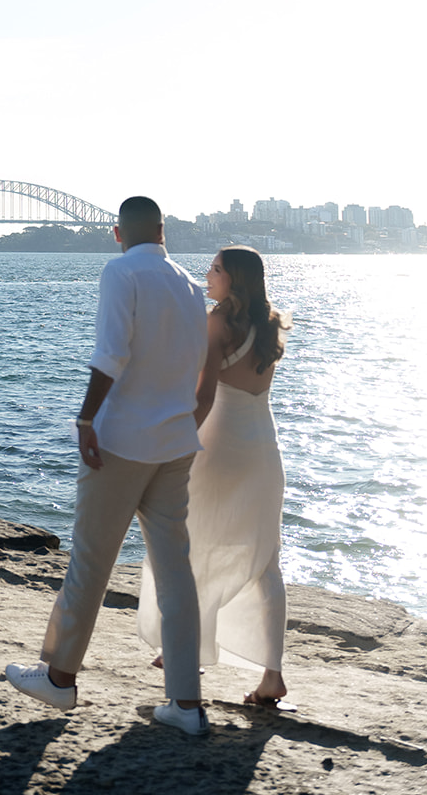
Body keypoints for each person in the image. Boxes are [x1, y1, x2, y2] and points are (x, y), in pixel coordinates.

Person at [4, 196, 211, 736]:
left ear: (117, 233)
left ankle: (59, 678)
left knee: (91, 562)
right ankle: (186, 704)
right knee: (175, 572)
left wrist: (86, 418)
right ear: (163, 231)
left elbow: (111, 353)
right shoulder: (192, 286)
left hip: (122, 441)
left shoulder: (121, 273)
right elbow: (198, 368)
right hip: (175, 442)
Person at [138, 246, 291, 705]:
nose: (208, 274)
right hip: (263, 447)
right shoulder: (272, 323)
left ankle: (184, 650)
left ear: (235, 280)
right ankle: (272, 675)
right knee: (265, 560)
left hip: (219, 446)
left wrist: (174, 444)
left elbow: (204, 397)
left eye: (216, 269)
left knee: (187, 543)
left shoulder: (218, 323)